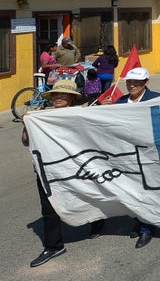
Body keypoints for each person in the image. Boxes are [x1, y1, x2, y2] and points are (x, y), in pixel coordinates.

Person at [26, 79, 104, 267]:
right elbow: (25, 141)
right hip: (48, 170)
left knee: (88, 195)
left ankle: (97, 221)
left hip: (77, 166)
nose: (58, 97)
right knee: (49, 209)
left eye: (63, 94)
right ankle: (54, 246)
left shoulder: (79, 114)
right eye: (55, 94)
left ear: (71, 97)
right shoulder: (39, 116)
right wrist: (26, 125)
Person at [101, 67, 160, 248]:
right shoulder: (120, 101)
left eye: (137, 82)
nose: (132, 85)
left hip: (149, 154)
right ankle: (139, 219)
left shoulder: (156, 99)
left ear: (146, 82)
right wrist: (103, 110)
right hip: (127, 155)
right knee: (132, 191)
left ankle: (146, 228)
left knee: (147, 191)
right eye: (129, 82)